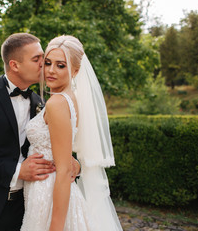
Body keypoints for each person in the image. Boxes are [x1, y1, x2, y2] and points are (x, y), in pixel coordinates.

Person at [0, 33, 80, 230]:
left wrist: (74, 163)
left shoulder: (42, 103)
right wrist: (18, 171)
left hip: (26, 207)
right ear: (15, 65)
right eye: (37, 60)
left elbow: (54, 147)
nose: (44, 65)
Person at [21, 35, 123, 231]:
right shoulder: (70, 98)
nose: (51, 70)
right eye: (48, 63)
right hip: (44, 189)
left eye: (61, 65)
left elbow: (64, 170)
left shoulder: (57, 103)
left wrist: (56, 227)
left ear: (75, 71)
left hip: (50, 193)